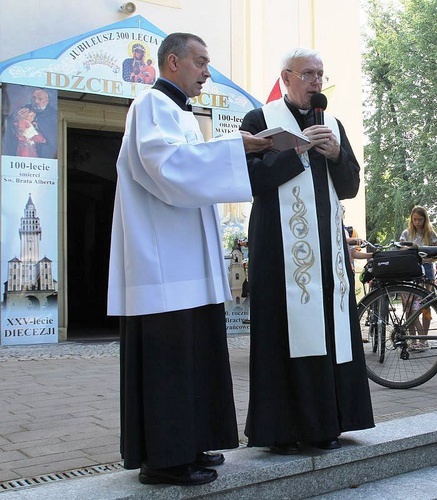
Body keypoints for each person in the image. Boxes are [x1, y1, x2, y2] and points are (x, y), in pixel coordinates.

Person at [107, 32, 288, 487]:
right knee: (170, 361)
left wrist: (237, 149)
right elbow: (167, 167)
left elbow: (194, 168)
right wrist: (236, 147)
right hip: (163, 265)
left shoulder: (178, 114)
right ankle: (165, 459)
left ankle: (189, 442)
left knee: (194, 356)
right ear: (173, 62)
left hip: (187, 262)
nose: (208, 71)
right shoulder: (150, 106)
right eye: (201, 62)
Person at [240, 47, 374, 455]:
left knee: (331, 332)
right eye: (308, 74)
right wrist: (296, 153)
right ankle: (282, 429)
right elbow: (250, 180)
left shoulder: (331, 123)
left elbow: (350, 185)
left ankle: (329, 422)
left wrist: (335, 156)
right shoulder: (259, 120)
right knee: (284, 331)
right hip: (280, 253)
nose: (316, 81)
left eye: (320, 74)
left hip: (329, 250)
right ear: (286, 77)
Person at [400, 205, 437, 351]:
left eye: (420, 219)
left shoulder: (431, 234)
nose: (417, 222)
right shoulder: (406, 233)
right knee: (409, 305)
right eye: (415, 219)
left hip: (427, 270)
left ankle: (424, 338)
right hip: (410, 270)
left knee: (425, 305)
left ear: (425, 219)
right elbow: (401, 250)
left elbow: (435, 254)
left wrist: (425, 256)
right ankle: (413, 338)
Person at [29, 88, 57, 159]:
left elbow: (52, 140)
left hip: (45, 155)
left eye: (40, 99)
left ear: (47, 101)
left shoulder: (54, 115)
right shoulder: (25, 109)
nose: (36, 101)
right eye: (34, 98)